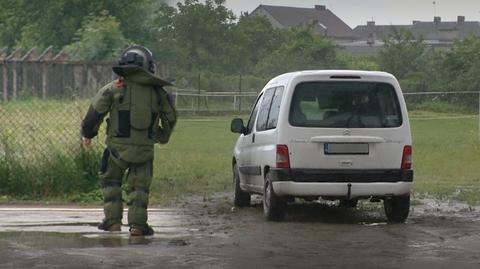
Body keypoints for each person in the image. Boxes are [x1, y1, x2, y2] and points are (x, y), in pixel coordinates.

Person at [80, 45, 177, 236]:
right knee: (139, 188)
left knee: (111, 182)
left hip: (116, 150)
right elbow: (171, 118)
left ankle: (113, 222)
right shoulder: (159, 93)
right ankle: (138, 226)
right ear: (149, 66)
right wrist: (161, 136)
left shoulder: (114, 89)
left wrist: (88, 134)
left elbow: (94, 113)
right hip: (144, 150)